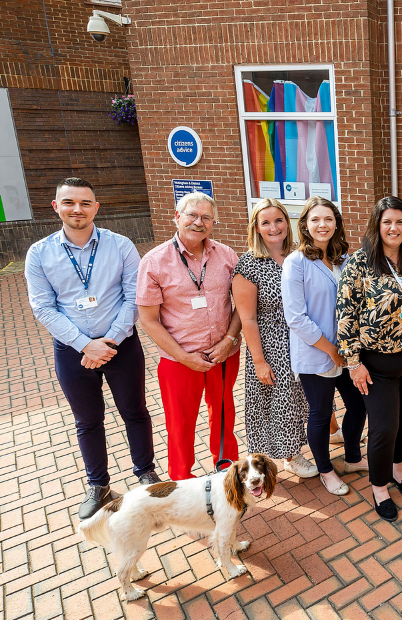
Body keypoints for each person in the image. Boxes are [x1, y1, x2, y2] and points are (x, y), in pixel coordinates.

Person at [25, 177, 159, 519]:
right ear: (56, 207)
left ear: (96, 207)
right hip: (73, 352)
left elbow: (134, 296)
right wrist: (86, 345)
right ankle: (98, 485)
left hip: (121, 347)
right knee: (87, 420)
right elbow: (43, 307)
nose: (77, 209)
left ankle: (146, 473)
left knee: (135, 412)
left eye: (85, 203)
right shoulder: (40, 253)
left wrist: (109, 342)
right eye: (69, 202)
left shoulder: (121, 245)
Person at [136, 192, 242, 481]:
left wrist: (229, 341)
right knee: (180, 424)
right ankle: (181, 481)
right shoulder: (154, 261)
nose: (199, 222)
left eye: (206, 217)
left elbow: (242, 306)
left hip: (224, 354)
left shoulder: (226, 255)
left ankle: (226, 472)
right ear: (177, 217)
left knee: (223, 415)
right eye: (192, 215)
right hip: (179, 360)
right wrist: (184, 357)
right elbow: (148, 320)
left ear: (213, 222)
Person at [337, 195, 402, 522]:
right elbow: (345, 315)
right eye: (388, 222)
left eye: (400, 222)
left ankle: (397, 470)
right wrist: (353, 363)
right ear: (377, 225)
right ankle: (379, 486)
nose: (394, 228)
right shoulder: (359, 262)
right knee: (383, 427)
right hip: (375, 364)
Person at [282, 196, 369, 496]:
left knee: (358, 405)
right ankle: (326, 470)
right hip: (317, 352)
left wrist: (350, 348)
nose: (322, 225)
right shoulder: (296, 262)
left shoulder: (344, 258)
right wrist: (331, 349)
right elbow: (296, 317)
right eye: (316, 219)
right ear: (305, 223)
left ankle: (353, 458)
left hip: (348, 353)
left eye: (329, 219)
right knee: (320, 414)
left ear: (337, 223)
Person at [233, 199, 317, 478]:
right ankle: (290, 456)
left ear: (287, 223)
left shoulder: (299, 255)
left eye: (278, 220)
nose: (273, 227)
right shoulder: (249, 264)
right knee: (283, 401)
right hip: (272, 343)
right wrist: (259, 360)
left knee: (308, 394)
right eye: (265, 222)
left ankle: (325, 434)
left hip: (303, 338)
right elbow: (248, 319)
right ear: (256, 228)